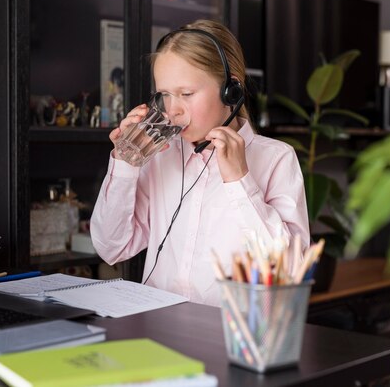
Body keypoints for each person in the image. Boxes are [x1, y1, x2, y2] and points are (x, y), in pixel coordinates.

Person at [90, 20, 309, 306]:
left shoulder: (276, 159)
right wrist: (125, 164)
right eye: (165, 95)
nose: (173, 109)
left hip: (231, 338)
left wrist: (240, 182)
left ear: (230, 90)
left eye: (187, 94)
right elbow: (111, 248)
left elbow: (290, 272)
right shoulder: (160, 156)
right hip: (158, 331)